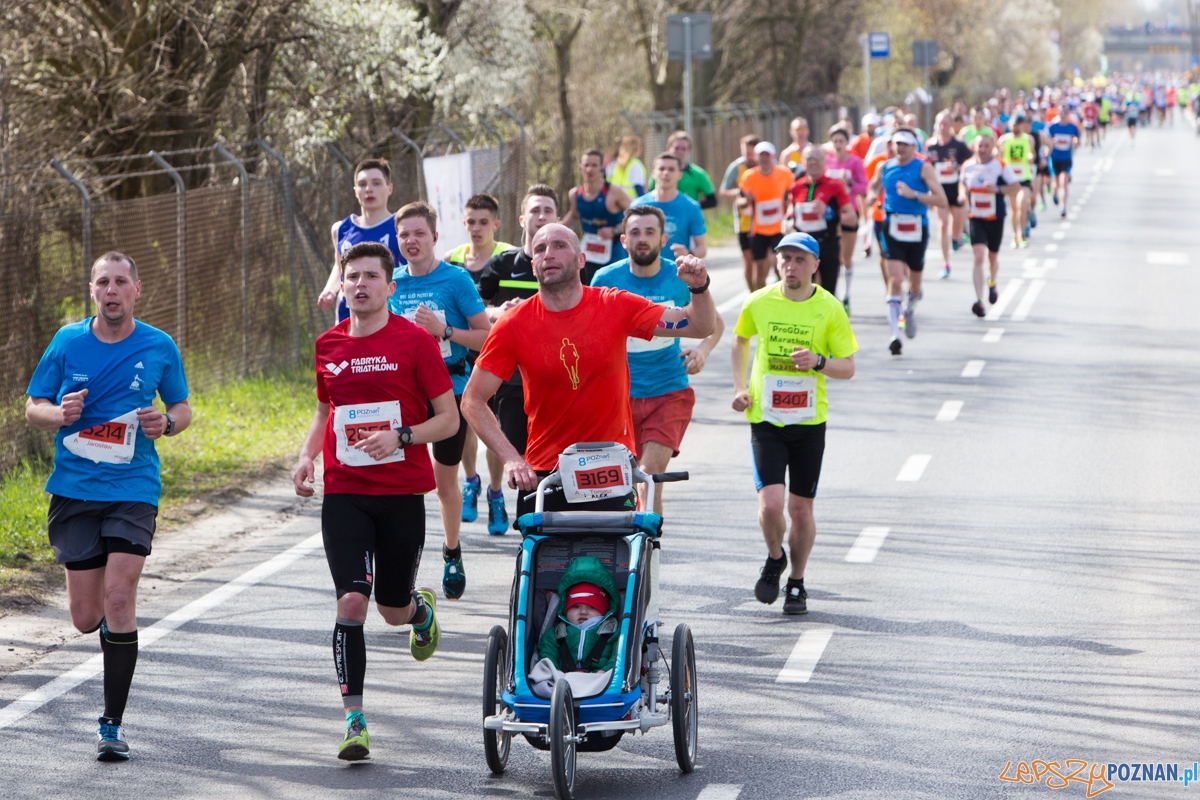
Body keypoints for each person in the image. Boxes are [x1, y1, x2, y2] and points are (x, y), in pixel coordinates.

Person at [294, 241, 457, 761]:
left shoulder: (415, 342)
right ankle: (354, 719)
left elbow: (449, 419)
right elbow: (325, 412)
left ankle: (418, 611)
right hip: (346, 493)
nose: (360, 284)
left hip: (401, 493)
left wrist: (402, 436)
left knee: (390, 609)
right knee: (351, 601)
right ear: (342, 285)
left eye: (371, 276)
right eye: (353, 276)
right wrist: (307, 457)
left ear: (390, 286)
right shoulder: (327, 344)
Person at [25, 252, 191, 760]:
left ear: (137, 289)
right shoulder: (67, 341)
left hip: (133, 489)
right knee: (84, 617)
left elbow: (181, 407)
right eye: (103, 282)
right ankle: (108, 638)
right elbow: (33, 407)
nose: (112, 290)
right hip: (74, 491)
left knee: (120, 600)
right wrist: (59, 414)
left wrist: (168, 423)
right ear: (92, 290)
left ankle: (111, 724)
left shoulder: (158, 345)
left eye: (121, 282)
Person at [461, 224, 715, 519]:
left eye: (559, 245)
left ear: (581, 259)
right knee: (540, 551)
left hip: (610, 468)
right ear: (533, 266)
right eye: (540, 249)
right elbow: (472, 399)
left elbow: (698, 326)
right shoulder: (513, 324)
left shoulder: (614, 304)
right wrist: (511, 459)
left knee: (620, 549)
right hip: (547, 471)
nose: (548, 254)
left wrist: (699, 288)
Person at [731, 233, 857, 615]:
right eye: (785, 258)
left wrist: (819, 362)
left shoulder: (830, 308)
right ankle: (775, 557)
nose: (791, 266)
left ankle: (797, 582)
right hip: (766, 419)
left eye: (800, 259)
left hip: (808, 423)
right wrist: (740, 388)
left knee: (801, 511)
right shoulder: (758, 301)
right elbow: (740, 341)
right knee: (771, 506)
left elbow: (848, 367)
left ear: (815, 265)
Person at [386, 202, 491, 600]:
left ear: (434, 236)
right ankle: (400, 563)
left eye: (419, 233)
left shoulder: (456, 279)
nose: (411, 241)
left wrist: (444, 330)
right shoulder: (392, 283)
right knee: (405, 486)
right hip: (406, 396)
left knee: (444, 482)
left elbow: (486, 337)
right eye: (404, 235)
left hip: (451, 391)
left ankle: (451, 550)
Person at [591, 205, 725, 514]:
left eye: (650, 232)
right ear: (623, 240)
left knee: (648, 477)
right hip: (619, 398)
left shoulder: (679, 278)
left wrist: (702, 351)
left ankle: (646, 542)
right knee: (621, 486)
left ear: (663, 239)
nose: (642, 239)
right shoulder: (605, 280)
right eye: (635, 232)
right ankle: (636, 539)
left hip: (669, 391)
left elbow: (715, 324)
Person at [474, 185, 560, 535]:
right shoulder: (502, 265)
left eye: (548, 210)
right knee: (521, 456)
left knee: (551, 458)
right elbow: (475, 309)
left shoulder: (565, 265)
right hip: (511, 379)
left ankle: (540, 530)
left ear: (557, 218)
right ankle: (522, 524)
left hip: (556, 376)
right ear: (523, 219)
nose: (541, 216)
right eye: (535, 210)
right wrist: (499, 312)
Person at [444, 193, 514, 527]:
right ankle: (471, 480)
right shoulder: (451, 260)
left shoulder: (508, 256)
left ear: (495, 224)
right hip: (462, 351)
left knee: (494, 425)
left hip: (498, 352)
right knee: (466, 420)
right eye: (471, 222)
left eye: (483, 222)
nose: (476, 228)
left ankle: (496, 492)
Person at [318, 159, 405, 324]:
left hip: (391, 314)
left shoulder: (401, 227)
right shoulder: (341, 229)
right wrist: (329, 290)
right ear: (355, 191)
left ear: (390, 188)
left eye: (376, 183)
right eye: (362, 184)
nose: (369, 189)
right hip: (350, 315)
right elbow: (339, 266)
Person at [960, 133, 1021, 318]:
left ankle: (992, 283)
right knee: (978, 255)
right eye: (980, 145)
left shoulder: (1000, 165)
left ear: (992, 147)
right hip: (976, 217)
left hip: (995, 217)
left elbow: (1016, 186)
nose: (983, 149)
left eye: (986, 145)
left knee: (992, 258)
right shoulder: (968, 165)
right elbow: (962, 182)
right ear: (974, 147)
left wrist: (998, 189)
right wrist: (962, 194)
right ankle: (979, 301)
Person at [789, 145, 856, 298]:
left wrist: (829, 213)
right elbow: (789, 213)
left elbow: (852, 219)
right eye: (809, 158)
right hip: (803, 247)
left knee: (827, 293)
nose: (813, 162)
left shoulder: (834, 186)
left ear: (825, 161)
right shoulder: (795, 187)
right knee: (802, 292)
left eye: (817, 158)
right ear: (802, 161)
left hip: (827, 244)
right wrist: (787, 222)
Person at [536, 556, 619, 672]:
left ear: (603, 611)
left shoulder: (613, 632)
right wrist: (553, 671)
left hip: (601, 677)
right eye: (576, 606)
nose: (583, 612)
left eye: (591, 607)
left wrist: (606, 670)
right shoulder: (555, 634)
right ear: (565, 610)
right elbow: (547, 653)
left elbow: (619, 654)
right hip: (562, 677)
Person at [561, 149, 631, 285]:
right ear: (580, 168)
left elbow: (635, 218)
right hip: (589, 252)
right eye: (586, 165)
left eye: (594, 165)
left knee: (614, 289)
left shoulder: (613, 192)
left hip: (613, 252)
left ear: (601, 169)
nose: (589, 169)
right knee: (588, 288)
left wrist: (614, 230)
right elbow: (574, 215)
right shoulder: (575, 194)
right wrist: (555, 228)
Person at [738, 141, 795, 291]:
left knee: (780, 265)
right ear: (755, 157)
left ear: (773, 156)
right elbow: (739, 200)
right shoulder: (749, 176)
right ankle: (758, 298)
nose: (764, 158)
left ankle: (783, 296)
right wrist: (746, 200)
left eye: (767, 155)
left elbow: (794, 193)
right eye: (761, 155)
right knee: (760, 269)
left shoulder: (784, 173)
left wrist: (789, 203)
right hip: (759, 230)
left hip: (779, 228)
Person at [823, 125, 869, 311]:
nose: (838, 144)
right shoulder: (826, 161)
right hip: (830, 215)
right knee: (833, 257)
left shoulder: (855, 162)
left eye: (841, 141)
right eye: (835, 141)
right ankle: (833, 296)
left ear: (847, 142)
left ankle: (846, 294)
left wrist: (849, 182)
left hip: (849, 212)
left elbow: (864, 187)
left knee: (846, 258)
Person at [926, 110, 972, 279]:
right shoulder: (930, 145)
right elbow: (925, 166)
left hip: (956, 189)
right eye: (939, 123)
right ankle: (945, 263)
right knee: (943, 224)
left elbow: (970, 163)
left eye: (945, 123)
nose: (942, 127)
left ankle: (956, 238)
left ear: (951, 125)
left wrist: (956, 167)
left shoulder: (958, 145)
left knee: (956, 228)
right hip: (939, 191)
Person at [635, 152, 707, 258]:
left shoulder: (691, 207)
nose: (666, 173)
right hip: (643, 267)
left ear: (679, 175)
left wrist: (688, 254)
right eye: (661, 169)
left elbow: (702, 248)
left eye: (671, 169)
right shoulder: (638, 206)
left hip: (676, 267)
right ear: (653, 173)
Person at [720, 134, 761, 291]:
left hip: (765, 221)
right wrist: (741, 192)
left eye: (752, 152)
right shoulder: (736, 167)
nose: (749, 156)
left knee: (764, 260)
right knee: (748, 261)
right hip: (744, 221)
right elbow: (723, 191)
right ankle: (752, 292)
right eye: (746, 152)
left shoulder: (767, 164)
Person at [648, 130, 717, 208]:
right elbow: (649, 196)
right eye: (676, 148)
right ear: (668, 148)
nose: (679, 152)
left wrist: (689, 206)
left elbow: (712, 201)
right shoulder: (660, 173)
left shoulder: (698, 173)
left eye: (683, 149)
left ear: (689, 151)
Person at [998, 115, 1035, 248]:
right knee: (1013, 209)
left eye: (1017, 125)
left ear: (1021, 125)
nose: (1015, 128)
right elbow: (1000, 157)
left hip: (1024, 178)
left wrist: (1030, 157)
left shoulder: (1028, 139)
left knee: (1022, 205)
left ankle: (1022, 234)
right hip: (1010, 180)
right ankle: (1015, 236)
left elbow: (1032, 153)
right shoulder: (1004, 140)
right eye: (1013, 125)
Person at [1047, 105, 1080, 217]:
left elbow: (1077, 139)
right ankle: (1054, 193)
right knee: (1056, 182)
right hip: (1055, 158)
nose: (1063, 115)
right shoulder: (1052, 127)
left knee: (1064, 182)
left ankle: (1063, 206)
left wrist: (1075, 142)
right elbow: (1047, 141)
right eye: (1061, 112)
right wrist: (1052, 142)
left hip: (1066, 158)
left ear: (1068, 114)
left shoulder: (1072, 127)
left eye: (1065, 113)